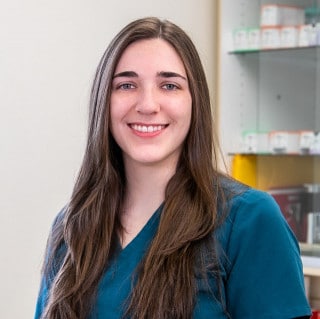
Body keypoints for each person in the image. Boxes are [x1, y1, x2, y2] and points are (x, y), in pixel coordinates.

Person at [34, 17, 312, 319]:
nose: (148, 104)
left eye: (169, 85)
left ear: (195, 101)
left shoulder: (248, 221)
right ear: (104, 101)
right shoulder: (72, 226)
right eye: (127, 85)